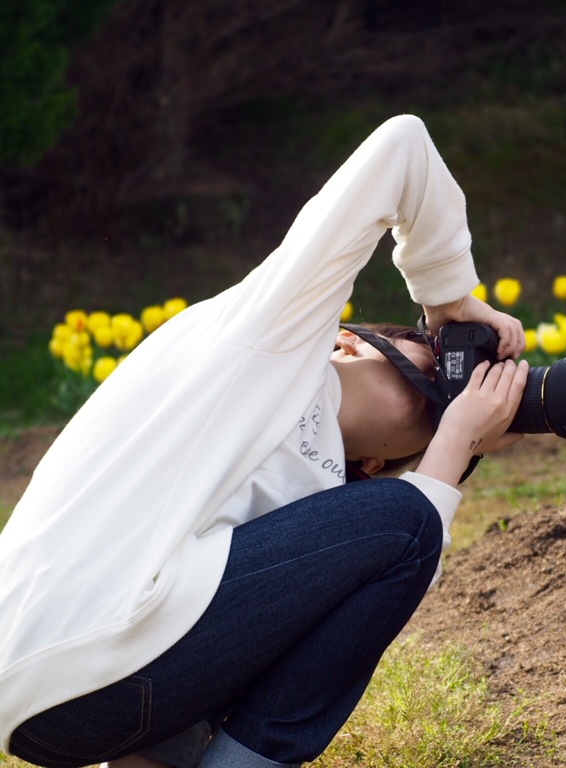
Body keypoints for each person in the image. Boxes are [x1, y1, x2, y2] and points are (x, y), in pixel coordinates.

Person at [0, 115, 529, 768]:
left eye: (437, 419)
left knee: (392, 531)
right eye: (434, 365)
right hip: (81, 663)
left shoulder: (297, 496)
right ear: (350, 341)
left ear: (375, 464)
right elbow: (403, 145)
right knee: (408, 525)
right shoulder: (277, 336)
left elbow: (350, 598)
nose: (444, 398)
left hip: (70, 701)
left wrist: (455, 442)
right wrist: (449, 302)